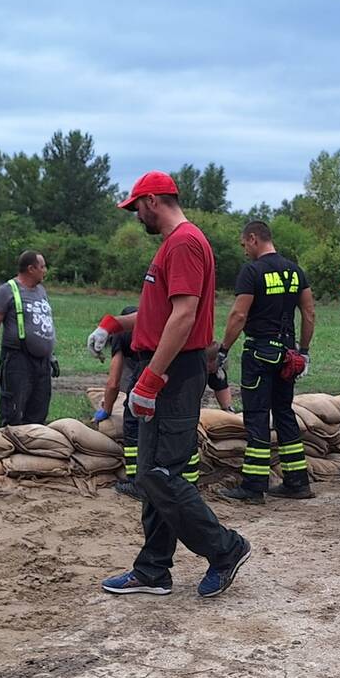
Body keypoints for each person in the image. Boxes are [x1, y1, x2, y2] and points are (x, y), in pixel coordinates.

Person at [88, 170, 250, 598]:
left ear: (153, 201)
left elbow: (183, 317)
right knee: (150, 474)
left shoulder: (183, 243)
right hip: (166, 369)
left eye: (136, 207)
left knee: (163, 473)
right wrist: (112, 325)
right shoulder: (175, 245)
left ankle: (225, 548)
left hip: (175, 373)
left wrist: (151, 379)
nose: (135, 215)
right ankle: (153, 569)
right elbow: (158, 314)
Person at [215, 220, 316, 504]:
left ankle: (253, 486)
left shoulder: (252, 271)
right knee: (284, 412)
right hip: (288, 355)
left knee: (257, 416)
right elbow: (309, 314)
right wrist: (303, 351)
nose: (244, 249)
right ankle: (297, 481)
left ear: (253, 238)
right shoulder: (295, 271)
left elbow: (238, 316)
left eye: (244, 243)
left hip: (259, 352)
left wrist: (223, 349)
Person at [96, 310, 234, 501]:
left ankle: (138, 483)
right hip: (166, 360)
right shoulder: (198, 353)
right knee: (181, 427)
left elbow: (113, 382)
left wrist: (107, 409)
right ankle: (184, 483)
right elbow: (114, 380)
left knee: (136, 422)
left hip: (157, 361)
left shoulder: (209, 356)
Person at [0, 251, 58, 426]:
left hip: (42, 362)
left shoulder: (41, 291)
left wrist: (51, 354)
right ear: (31, 269)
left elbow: (45, 322)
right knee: (13, 410)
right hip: (17, 359)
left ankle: (31, 451)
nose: (45, 270)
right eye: (43, 266)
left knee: (39, 411)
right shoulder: (7, 290)